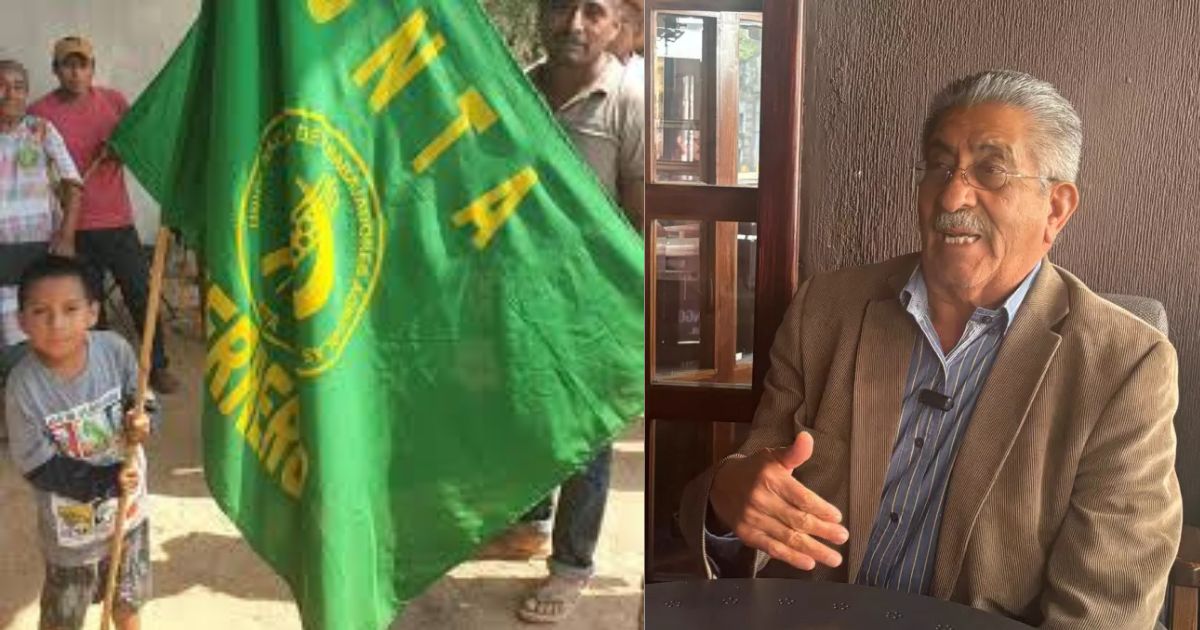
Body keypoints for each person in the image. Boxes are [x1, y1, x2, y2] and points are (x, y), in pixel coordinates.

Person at [680, 70, 1181, 629]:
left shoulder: (1126, 366)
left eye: (990, 170)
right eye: (939, 167)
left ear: (1056, 208)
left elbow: (1105, 608)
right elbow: (755, 492)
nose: (952, 196)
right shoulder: (828, 310)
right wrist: (727, 499)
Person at [484, 0, 643, 624]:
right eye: (559, 5)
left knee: (585, 440)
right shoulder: (518, 89)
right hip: (522, 296)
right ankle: (529, 525)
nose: (573, 23)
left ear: (617, 24)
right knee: (523, 416)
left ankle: (572, 565)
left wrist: (623, 311)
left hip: (593, 306)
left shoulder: (629, 100)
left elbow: (642, 214)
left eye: (593, 10)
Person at [5, 255, 157, 630]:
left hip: (130, 514)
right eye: (41, 312)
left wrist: (142, 419)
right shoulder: (23, 388)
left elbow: (141, 398)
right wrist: (105, 481)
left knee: (128, 602)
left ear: (92, 312)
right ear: (22, 321)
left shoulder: (115, 350)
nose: (57, 323)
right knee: (65, 617)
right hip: (72, 535)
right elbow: (37, 466)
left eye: (70, 309)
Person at [29, 36, 179, 395]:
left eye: (82, 64)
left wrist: (120, 150)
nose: (75, 72)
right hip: (72, 228)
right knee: (89, 306)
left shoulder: (114, 102)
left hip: (118, 222)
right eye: (67, 65)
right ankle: (105, 375)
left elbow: (137, 145)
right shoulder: (39, 113)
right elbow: (32, 165)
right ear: (55, 70)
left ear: (92, 69)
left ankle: (156, 365)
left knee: (141, 295)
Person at [1, 58, 84, 440]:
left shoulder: (41, 130)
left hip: (37, 250)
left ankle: (40, 416)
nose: (10, 93)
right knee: (6, 340)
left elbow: (72, 183)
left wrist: (66, 237)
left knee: (37, 332)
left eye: (18, 86)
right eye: (2, 85)